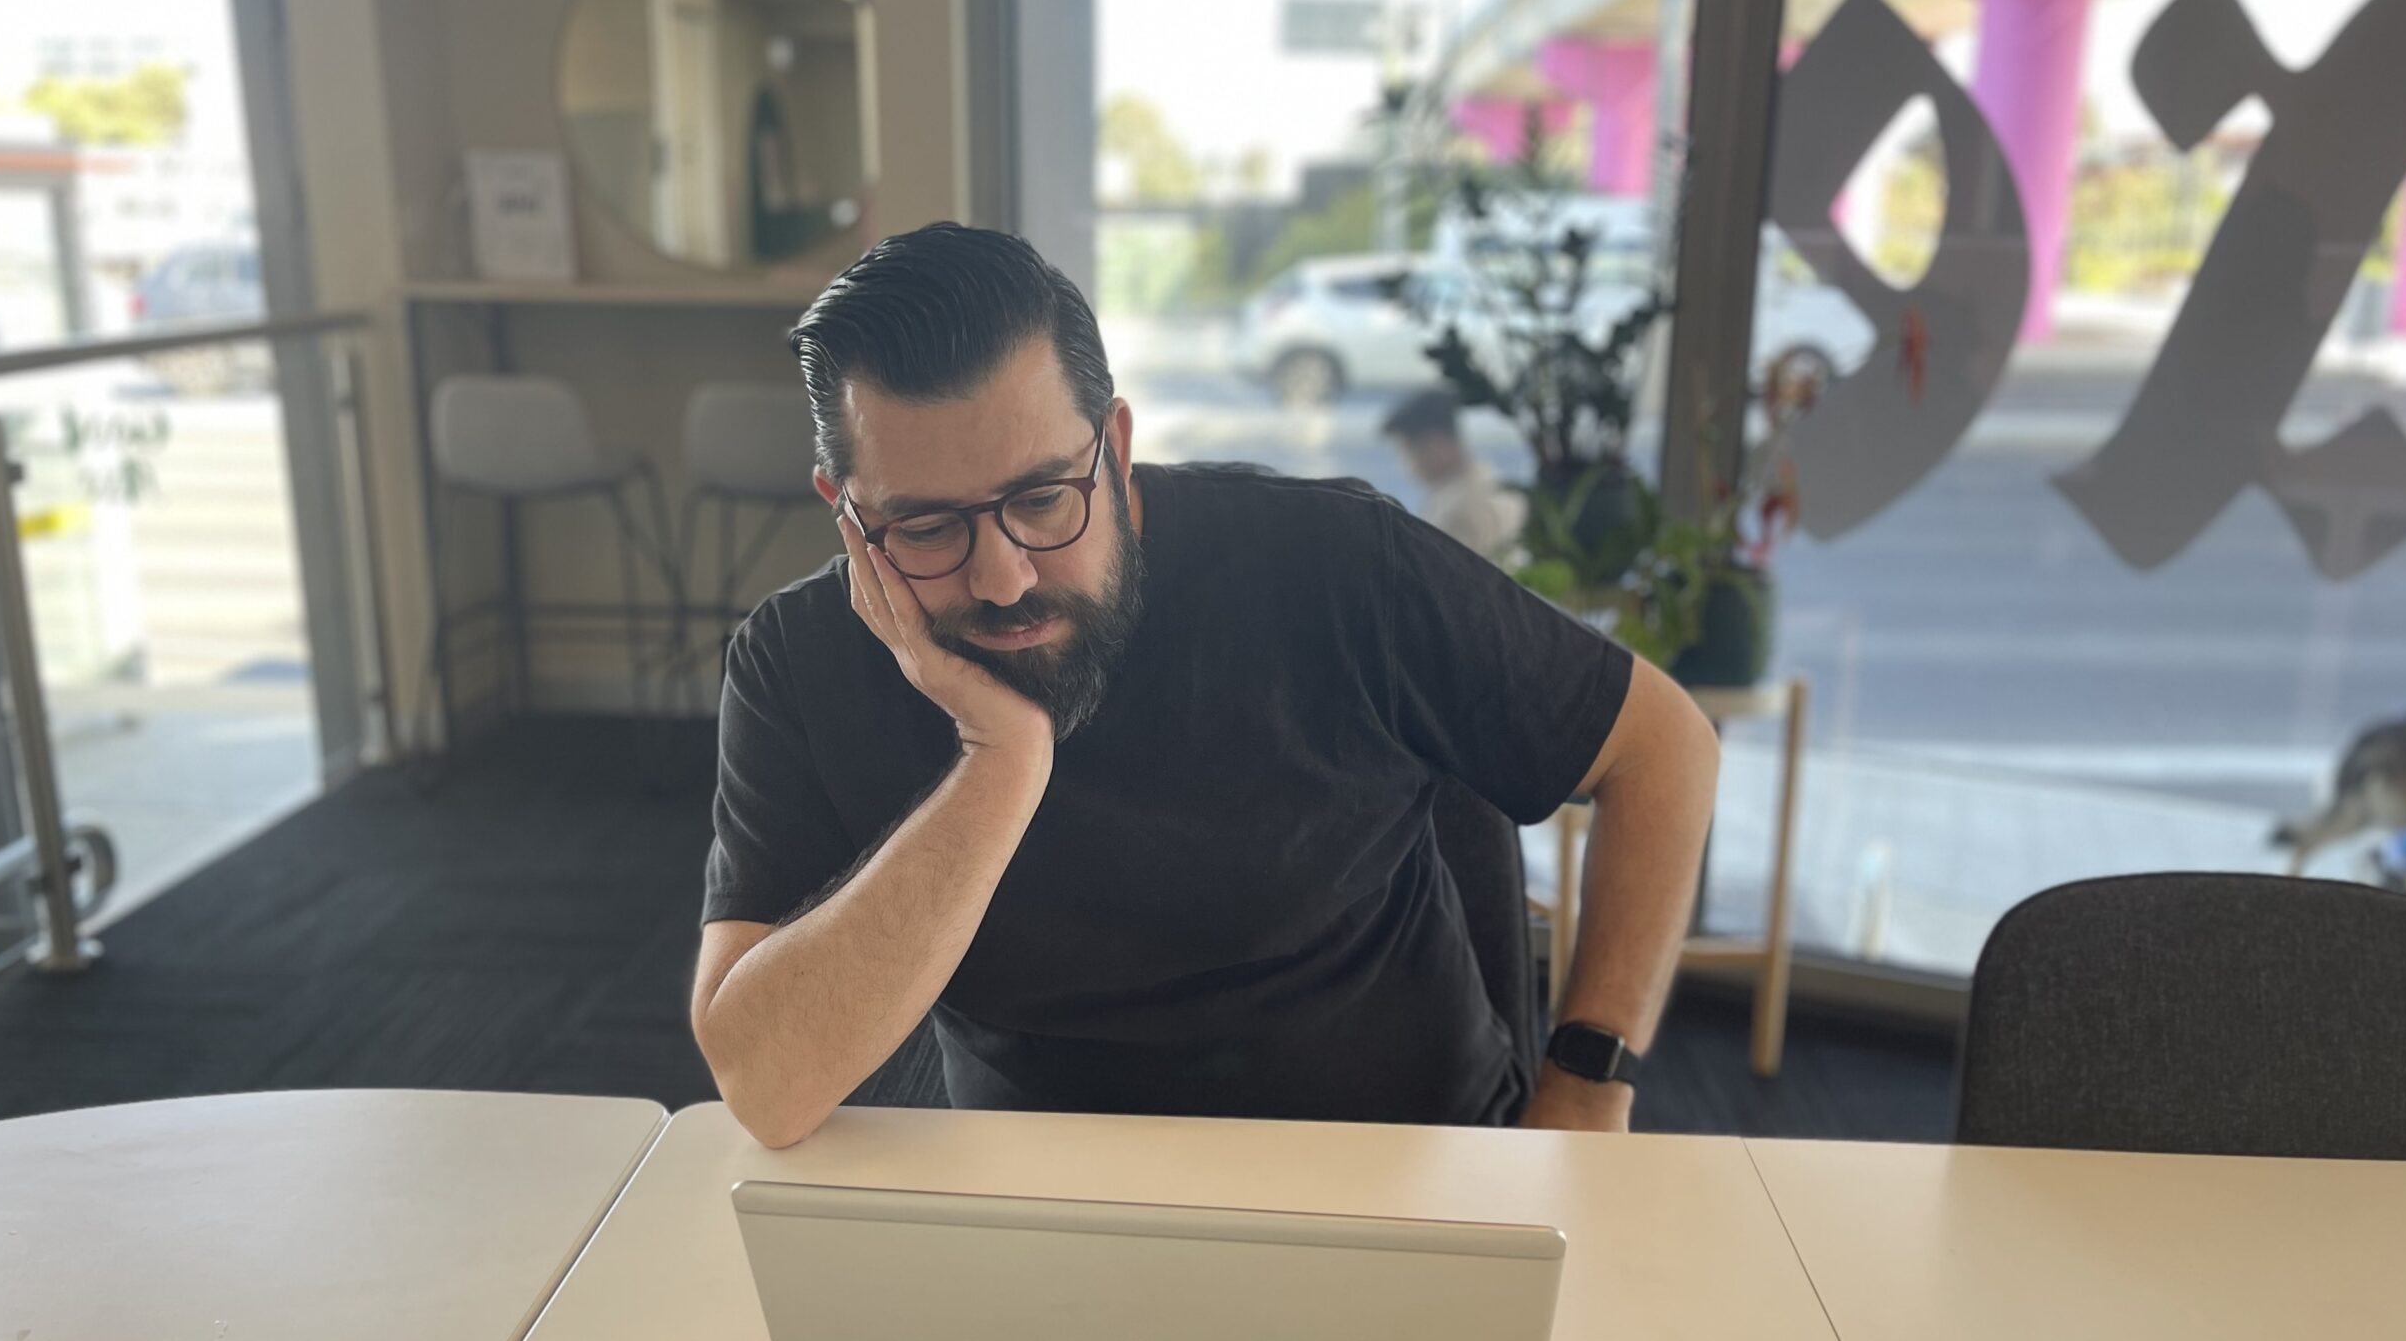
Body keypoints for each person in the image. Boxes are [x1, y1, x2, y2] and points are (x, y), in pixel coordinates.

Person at [691, 223, 1720, 1148]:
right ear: (847, 509)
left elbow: (1663, 747)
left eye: (1044, 499)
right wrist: (999, 765)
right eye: (924, 526)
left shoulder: (1332, 564)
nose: (1001, 576)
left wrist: (1588, 1091)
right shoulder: (802, 659)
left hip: (1410, 1175)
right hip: (1052, 1212)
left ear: (1118, 450)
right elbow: (767, 1089)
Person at [1381, 388, 1527, 563]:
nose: (1405, 465)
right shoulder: (1490, 482)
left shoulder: (1459, 508)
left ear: (1435, 444)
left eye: (1408, 451)